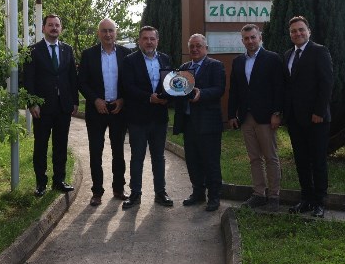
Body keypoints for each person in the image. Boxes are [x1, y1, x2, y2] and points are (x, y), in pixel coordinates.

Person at [228, 24, 284, 212]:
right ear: (242, 40)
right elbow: (234, 90)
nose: (250, 41)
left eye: (253, 37)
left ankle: (274, 196)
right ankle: (259, 194)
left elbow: (279, 87)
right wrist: (231, 114)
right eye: (246, 38)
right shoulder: (238, 61)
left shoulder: (272, 58)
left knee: (271, 157)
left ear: (260, 37)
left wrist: (277, 113)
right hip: (246, 117)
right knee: (254, 158)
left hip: (266, 117)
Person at [23, 14, 79, 197]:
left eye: (57, 25)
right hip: (42, 108)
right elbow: (28, 80)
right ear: (43, 28)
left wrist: (75, 101)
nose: (54, 28)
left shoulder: (67, 50)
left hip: (63, 107)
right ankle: (41, 183)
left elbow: (72, 78)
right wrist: (32, 103)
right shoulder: (33, 51)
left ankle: (59, 180)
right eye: (50, 25)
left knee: (61, 145)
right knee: (41, 146)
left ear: (60, 28)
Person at [283, 16, 333, 218]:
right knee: (301, 160)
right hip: (295, 119)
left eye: (301, 29)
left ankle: (320, 202)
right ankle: (306, 199)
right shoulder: (288, 55)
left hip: (316, 119)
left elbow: (326, 83)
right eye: (293, 31)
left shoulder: (320, 51)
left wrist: (319, 112)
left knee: (318, 161)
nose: (298, 33)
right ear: (290, 35)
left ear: (309, 31)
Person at [77, 18, 130, 207]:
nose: (108, 34)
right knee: (95, 152)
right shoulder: (88, 54)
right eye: (104, 31)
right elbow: (81, 82)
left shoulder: (126, 54)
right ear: (98, 33)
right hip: (96, 110)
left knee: (118, 152)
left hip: (118, 109)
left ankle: (119, 188)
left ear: (116, 32)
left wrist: (123, 100)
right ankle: (97, 192)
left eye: (111, 30)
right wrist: (95, 100)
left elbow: (131, 81)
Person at [120, 26, 174, 209]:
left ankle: (161, 192)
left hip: (159, 118)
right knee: (137, 157)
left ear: (157, 41)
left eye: (152, 38)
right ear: (139, 41)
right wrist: (149, 98)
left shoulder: (165, 59)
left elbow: (170, 83)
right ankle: (135, 193)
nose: (149, 42)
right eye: (145, 38)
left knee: (159, 157)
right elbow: (128, 87)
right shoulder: (129, 61)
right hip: (138, 118)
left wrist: (168, 98)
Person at [174, 34, 226, 212]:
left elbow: (219, 89)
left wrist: (201, 94)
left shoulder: (215, 65)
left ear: (206, 48)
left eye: (198, 46)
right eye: (192, 47)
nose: (195, 49)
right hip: (189, 123)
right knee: (192, 160)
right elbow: (177, 89)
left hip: (208, 124)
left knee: (211, 161)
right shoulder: (184, 68)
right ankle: (198, 193)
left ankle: (214, 196)